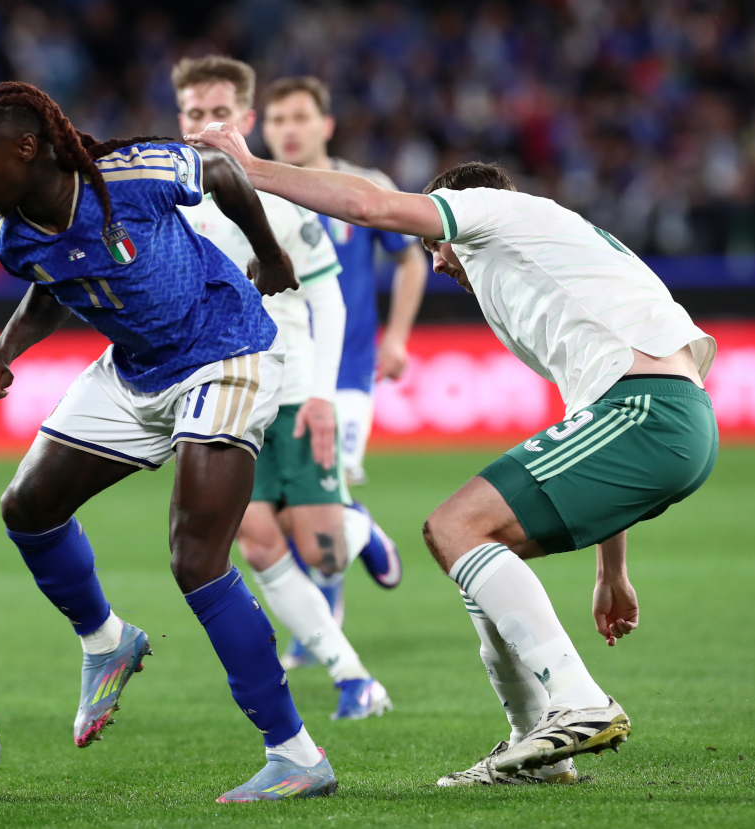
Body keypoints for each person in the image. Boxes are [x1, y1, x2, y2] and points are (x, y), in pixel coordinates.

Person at [188, 124, 718, 786]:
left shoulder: (494, 208)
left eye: (435, 242)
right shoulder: (540, 276)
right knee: (477, 548)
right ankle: (537, 749)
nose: (436, 260)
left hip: (652, 411)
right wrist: (611, 570)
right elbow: (589, 424)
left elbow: (372, 206)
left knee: (453, 525)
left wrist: (251, 168)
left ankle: (579, 700)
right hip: (652, 419)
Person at [0, 81, 337, 802]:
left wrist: (272, 255)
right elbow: (48, 284)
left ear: (28, 148)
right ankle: (105, 640)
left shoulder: (130, 177)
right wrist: (1, 355)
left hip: (223, 349)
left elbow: (221, 171)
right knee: (27, 506)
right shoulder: (14, 235)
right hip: (135, 370)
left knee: (196, 557)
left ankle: (295, 753)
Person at [171, 56, 391, 721]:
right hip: (225, 394)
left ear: (244, 119)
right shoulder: (165, 198)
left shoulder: (278, 193)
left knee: (318, 543)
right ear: (179, 118)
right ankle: (352, 676)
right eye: (193, 113)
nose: (206, 125)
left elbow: (329, 297)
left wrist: (322, 393)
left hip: (292, 385)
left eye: (219, 114)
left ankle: (356, 528)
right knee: (258, 542)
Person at [257, 77, 417, 667]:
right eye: (277, 120)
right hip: (276, 375)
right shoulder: (252, 193)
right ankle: (359, 536)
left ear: (326, 125)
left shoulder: (366, 189)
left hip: (345, 374)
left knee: (327, 484)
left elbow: (411, 261)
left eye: (300, 117)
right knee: (281, 506)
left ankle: (325, 616)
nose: (288, 129)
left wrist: (396, 335)